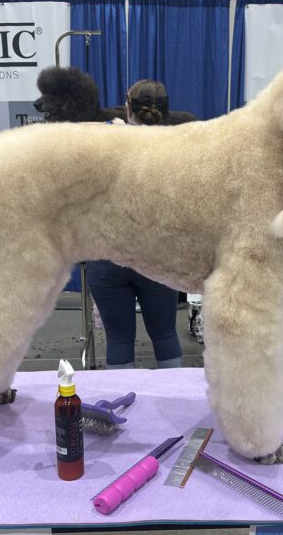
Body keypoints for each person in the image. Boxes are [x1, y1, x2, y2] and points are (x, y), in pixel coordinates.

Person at [85, 79, 187, 368]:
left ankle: (122, 407)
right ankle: (175, 403)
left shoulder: (99, 142)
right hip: (159, 256)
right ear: (166, 109)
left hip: (107, 257)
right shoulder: (181, 147)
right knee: (165, 334)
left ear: (127, 107)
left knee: (118, 340)